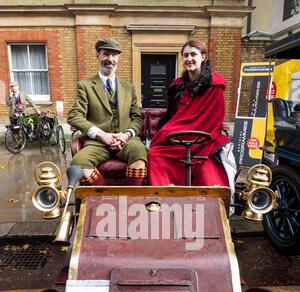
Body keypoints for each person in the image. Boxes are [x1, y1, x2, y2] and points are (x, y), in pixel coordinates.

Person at [148, 39, 235, 189]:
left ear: (203, 57)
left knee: (208, 174)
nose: (189, 59)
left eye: (193, 54)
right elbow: (175, 116)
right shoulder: (178, 86)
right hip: (178, 137)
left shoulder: (215, 86)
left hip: (205, 138)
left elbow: (213, 119)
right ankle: (165, 197)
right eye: (185, 55)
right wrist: (169, 130)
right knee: (155, 154)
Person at [67, 38, 147, 186]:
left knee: (140, 154)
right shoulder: (85, 86)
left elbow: (137, 118)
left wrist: (126, 134)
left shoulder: (128, 87)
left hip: (126, 141)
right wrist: (101, 134)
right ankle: (105, 198)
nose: (110, 59)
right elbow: (74, 115)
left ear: (118, 58)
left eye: (114, 55)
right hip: (97, 142)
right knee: (79, 164)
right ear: (98, 55)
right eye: (106, 54)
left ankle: (130, 200)